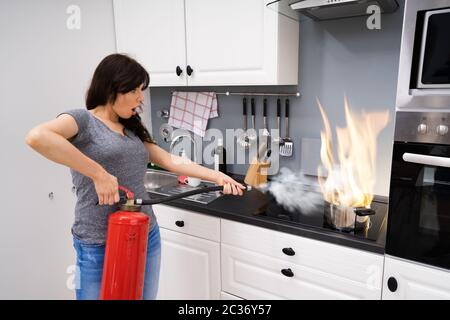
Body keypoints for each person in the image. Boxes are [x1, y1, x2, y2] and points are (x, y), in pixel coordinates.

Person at [25, 53, 245, 300]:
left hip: (145, 232)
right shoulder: (83, 120)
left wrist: (216, 176)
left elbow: (169, 159)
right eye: (136, 90)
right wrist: (98, 174)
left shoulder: (130, 127)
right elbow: (37, 137)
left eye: (142, 90)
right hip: (98, 242)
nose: (141, 98)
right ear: (113, 88)